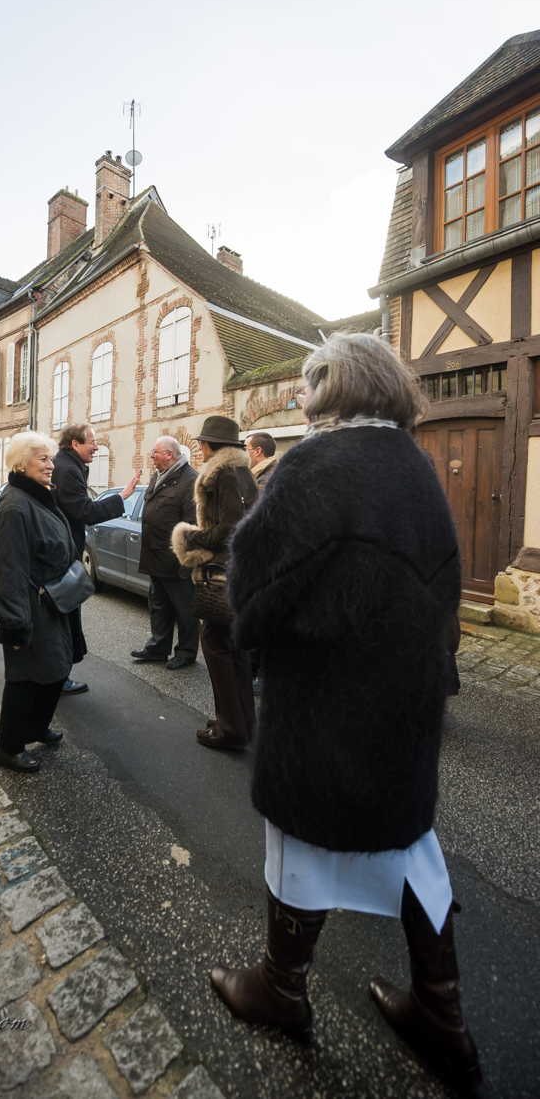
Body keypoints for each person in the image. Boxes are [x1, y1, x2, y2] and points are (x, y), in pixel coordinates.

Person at [211, 333, 480, 1093]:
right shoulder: (413, 466)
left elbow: (255, 598)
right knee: (410, 850)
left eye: (306, 384)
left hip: (324, 695)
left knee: (301, 844)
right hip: (404, 696)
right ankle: (443, 1016)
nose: (299, 396)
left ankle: (282, 992)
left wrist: (258, 632)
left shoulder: (315, 463)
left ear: (332, 388)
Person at [0, 432, 84, 773]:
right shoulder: (15, 506)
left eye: (51, 458)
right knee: (26, 678)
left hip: (55, 602)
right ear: (20, 463)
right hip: (30, 608)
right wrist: (14, 620)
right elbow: (7, 569)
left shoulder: (40, 497)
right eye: (43, 459)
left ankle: (36, 728)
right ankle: (9, 747)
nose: (51, 465)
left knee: (56, 670)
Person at [171, 416, 257, 750]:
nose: (199, 448)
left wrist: (191, 538)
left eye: (202, 443)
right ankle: (240, 722)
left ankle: (231, 729)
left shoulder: (222, 474)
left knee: (218, 648)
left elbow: (229, 527)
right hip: (240, 571)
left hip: (222, 573)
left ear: (210, 445)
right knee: (235, 652)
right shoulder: (242, 473)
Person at [52, 424, 140, 694]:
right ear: (75, 444)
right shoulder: (67, 470)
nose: (97, 446)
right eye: (92, 441)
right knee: (64, 615)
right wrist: (122, 496)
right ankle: (58, 678)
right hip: (63, 552)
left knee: (65, 614)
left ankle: (59, 675)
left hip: (64, 548)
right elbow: (85, 511)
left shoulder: (69, 465)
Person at [133, 437, 198, 670]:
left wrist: (186, 560)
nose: (152, 456)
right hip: (155, 556)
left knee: (184, 609)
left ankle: (186, 652)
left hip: (175, 560)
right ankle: (158, 648)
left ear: (170, 455)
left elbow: (193, 524)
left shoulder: (191, 480)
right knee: (159, 606)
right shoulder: (160, 475)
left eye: (155, 453)